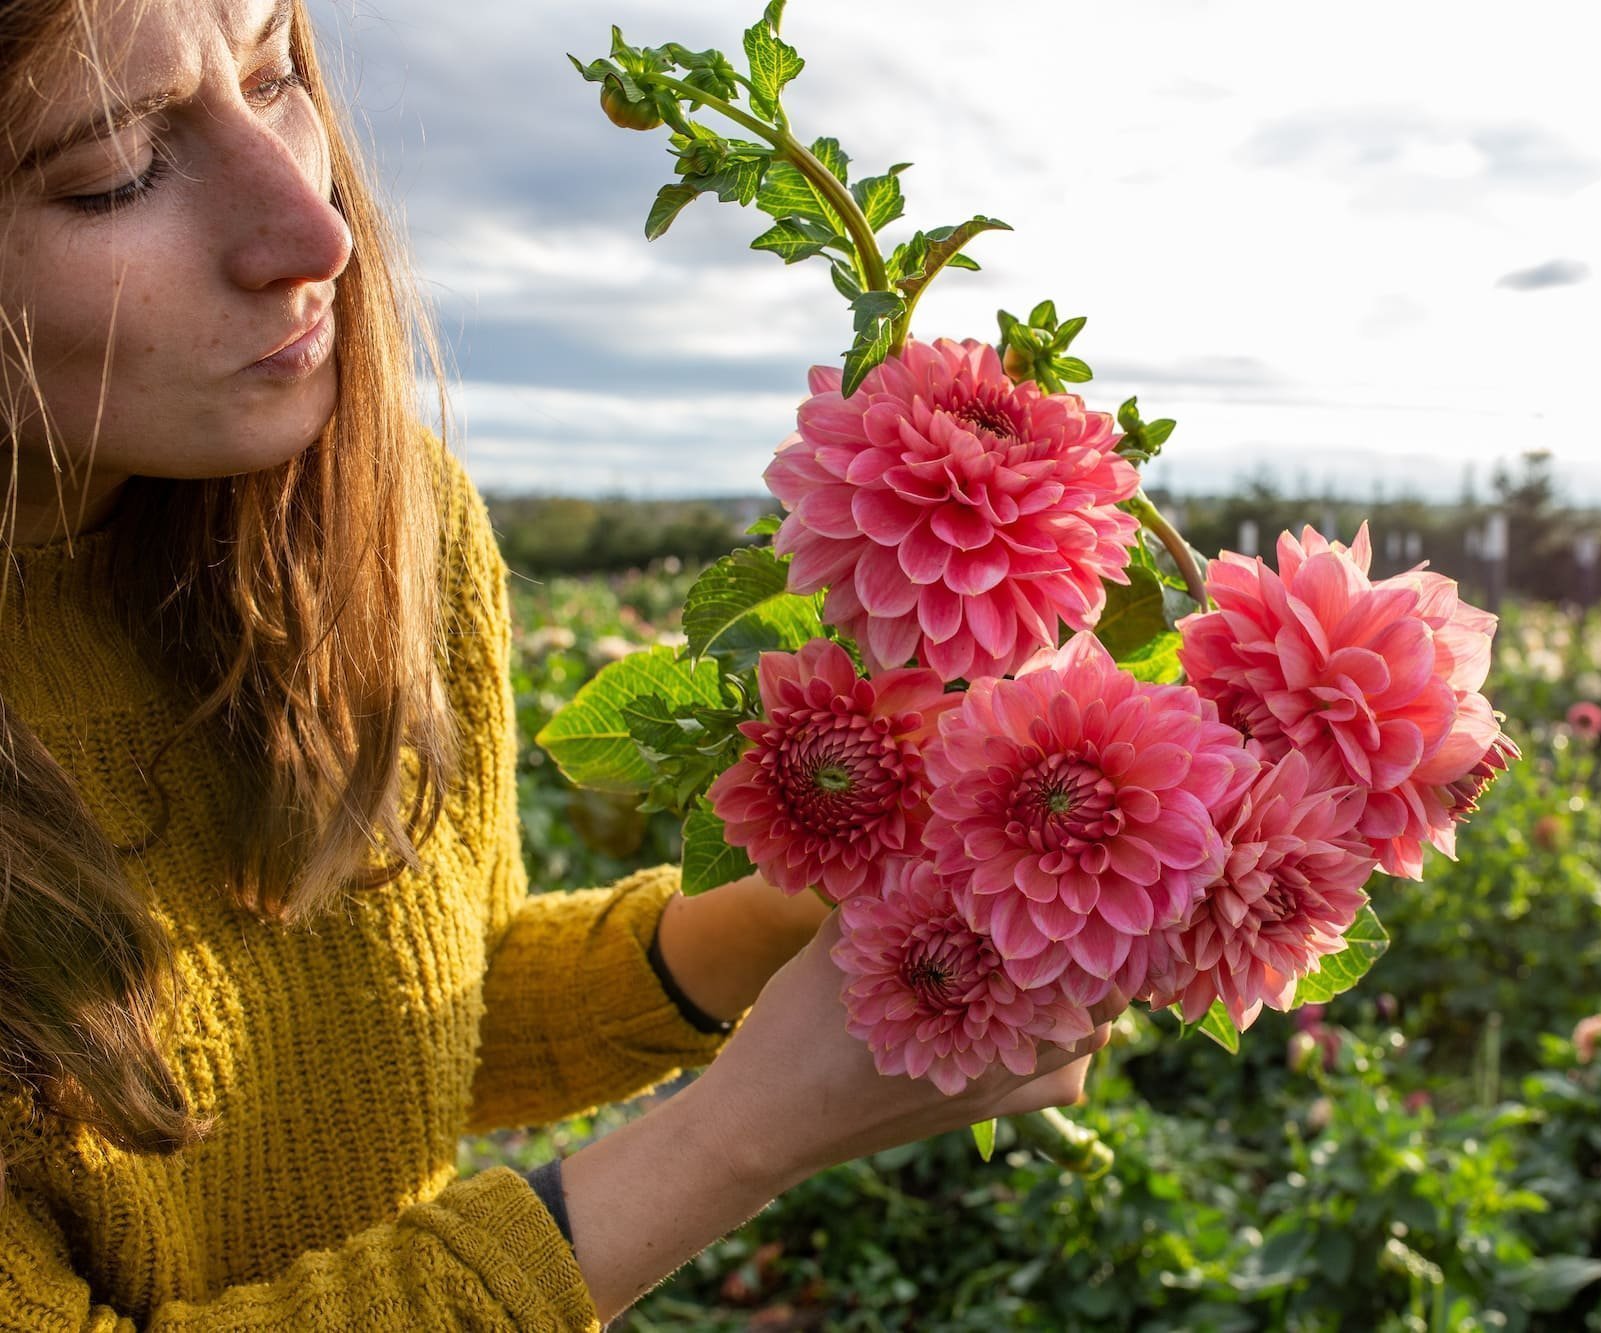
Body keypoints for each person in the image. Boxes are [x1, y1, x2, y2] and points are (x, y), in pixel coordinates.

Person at [0, 0, 1114, 1326]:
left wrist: (780, 905)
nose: (317, 230)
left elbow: (413, 1023)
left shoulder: (374, 525)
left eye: (274, 72)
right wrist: (732, 1139)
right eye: (115, 172)